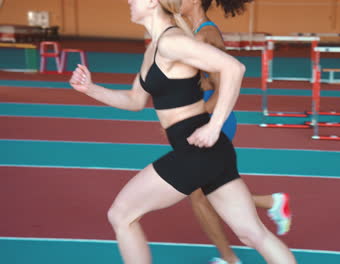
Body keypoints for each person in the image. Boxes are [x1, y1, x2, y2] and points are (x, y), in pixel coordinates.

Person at [69, 0, 297, 263]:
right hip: (208, 152)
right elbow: (134, 101)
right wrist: (91, 89)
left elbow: (234, 68)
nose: (129, 1)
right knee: (253, 234)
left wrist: (214, 126)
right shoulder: (154, 48)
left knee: (121, 215)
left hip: (197, 150)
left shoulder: (171, 42)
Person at [180, 1, 292, 263]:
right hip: (206, 116)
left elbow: (222, 89)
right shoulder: (194, 32)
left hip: (213, 119)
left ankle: (230, 258)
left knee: (198, 196)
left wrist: (194, 118)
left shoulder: (207, 35)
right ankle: (270, 203)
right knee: (208, 193)